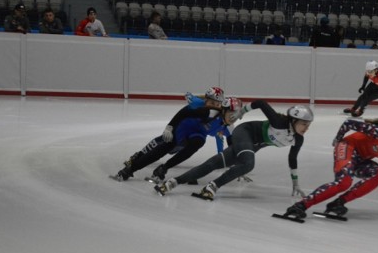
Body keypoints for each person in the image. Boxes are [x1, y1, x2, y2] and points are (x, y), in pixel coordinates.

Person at [155, 101, 313, 201]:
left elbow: (293, 159)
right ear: (293, 120)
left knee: (213, 164)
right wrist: (242, 112)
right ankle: (213, 186)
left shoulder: (298, 139)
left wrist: (295, 183)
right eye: (304, 124)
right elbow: (261, 103)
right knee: (249, 164)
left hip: (252, 145)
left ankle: (173, 182)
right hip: (244, 132)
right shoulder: (278, 122)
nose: (306, 128)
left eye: (308, 125)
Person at [284, 114, 378, 220]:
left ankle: (338, 203)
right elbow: (349, 123)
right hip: (348, 147)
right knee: (344, 182)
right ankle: (301, 205)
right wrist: (338, 139)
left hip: (361, 159)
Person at [111, 97, 240, 182]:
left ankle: (163, 169)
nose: (233, 118)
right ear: (224, 110)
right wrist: (170, 126)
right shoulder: (209, 112)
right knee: (164, 148)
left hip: (198, 133)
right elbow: (184, 112)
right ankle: (130, 170)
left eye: (236, 116)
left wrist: (237, 165)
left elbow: (232, 146)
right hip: (185, 126)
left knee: (198, 143)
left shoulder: (229, 127)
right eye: (231, 114)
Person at [122, 86, 226, 170]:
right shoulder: (197, 103)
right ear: (205, 100)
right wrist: (170, 127)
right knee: (164, 140)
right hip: (184, 125)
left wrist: (221, 157)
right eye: (212, 103)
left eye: (218, 104)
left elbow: (220, 137)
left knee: (174, 148)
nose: (215, 106)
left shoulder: (221, 118)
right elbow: (187, 97)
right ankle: (138, 156)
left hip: (195, 133)